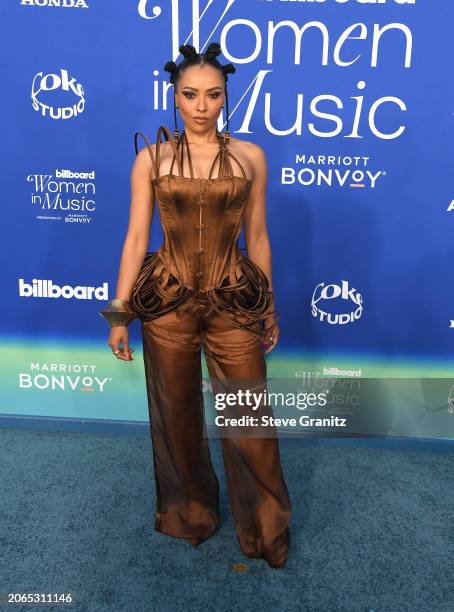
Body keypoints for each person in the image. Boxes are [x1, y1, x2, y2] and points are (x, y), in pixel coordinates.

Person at [99, 42, 292, 569]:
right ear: (175, 97)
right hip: (167, 303)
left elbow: (260, 237)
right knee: (176, 414)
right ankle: (190, 514)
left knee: (248, 417)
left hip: (235, 302)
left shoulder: (251, 156)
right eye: (190, 95)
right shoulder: (152, 159)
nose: (202, 105)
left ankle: (266, 529)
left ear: (226, 95)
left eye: (212, 94)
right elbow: (137, 236)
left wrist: (267, 308)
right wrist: (120, 312)